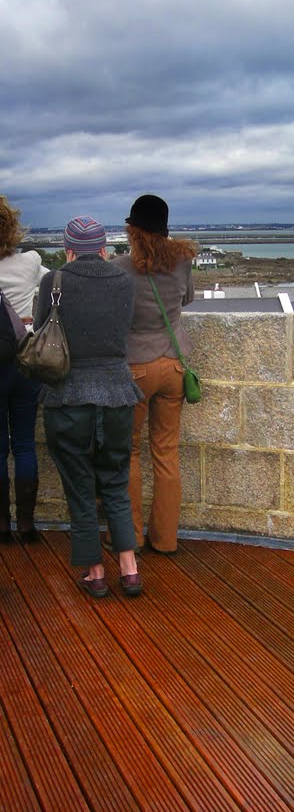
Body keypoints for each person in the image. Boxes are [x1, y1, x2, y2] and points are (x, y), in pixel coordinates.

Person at [35, 216, 143, 596]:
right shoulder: (124, 282)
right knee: (115, 481)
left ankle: (96, 572)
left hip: (67, 397)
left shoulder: (54, 281)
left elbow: (41, 330)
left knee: (80, 486)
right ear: (102, 249)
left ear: (67, 250)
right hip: (117, 394)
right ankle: (129, 569)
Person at [116, 194, 196, 553]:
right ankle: (165, 540)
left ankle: (129, 536)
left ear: (132, 230)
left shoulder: (120, 269)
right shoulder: (181, 262)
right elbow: (187, 299)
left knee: (128, 452)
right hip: (175, 365)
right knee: (166, 452)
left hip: (136, 369)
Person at [0, 195, 48, 542]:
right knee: (25, 444)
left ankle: (2, 525)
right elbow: (51, 280)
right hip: (24, 360)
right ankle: (27, 525)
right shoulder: (30, 261)